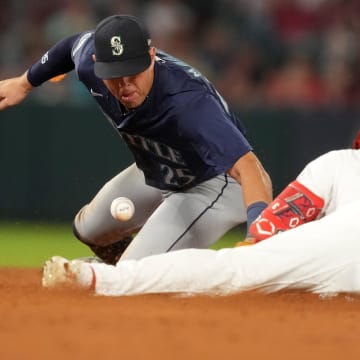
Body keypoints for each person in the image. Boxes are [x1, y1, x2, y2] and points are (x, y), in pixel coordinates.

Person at [0, 15, 272, 264]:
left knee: (135, 272)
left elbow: (251, 168)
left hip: (212, 184)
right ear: (97, 63)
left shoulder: (189, 102)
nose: (126, 84)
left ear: (152, 56)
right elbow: (73, 44)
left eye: (134, 71)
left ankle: (150, 279)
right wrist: (25, 83)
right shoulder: (88, 63)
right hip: (159, 170)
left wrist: (258, 232)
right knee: (88, 230)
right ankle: (124, 274)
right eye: (115, 75)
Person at [41, 131, 360, 296]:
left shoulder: (343, 163)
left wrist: (257, 248)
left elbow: (270, 229)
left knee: (235, 269)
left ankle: (96, 278)